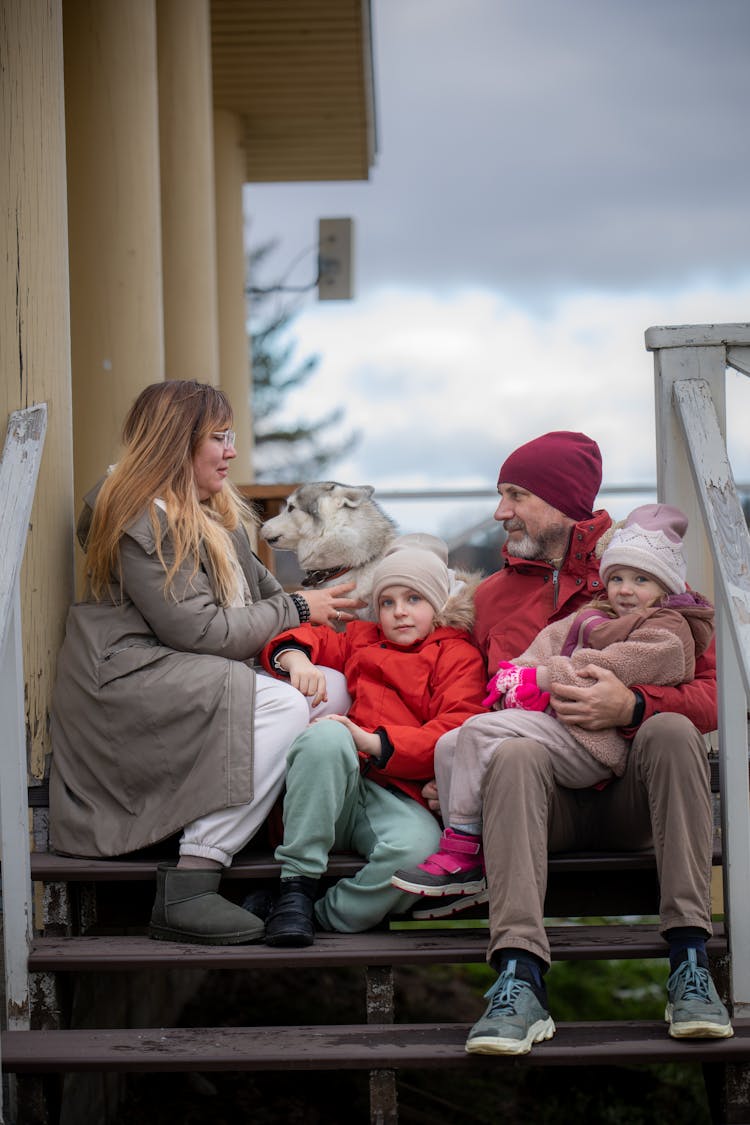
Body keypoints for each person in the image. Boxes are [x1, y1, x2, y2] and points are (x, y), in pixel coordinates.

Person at [413, 431, 731, 1055]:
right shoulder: (490, 599)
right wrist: (436, 775)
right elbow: (462, 702)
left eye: (515, 495)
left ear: (562, 503)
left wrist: (635, 704)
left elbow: (713, 696)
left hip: (632, 796)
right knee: (513, 751)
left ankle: (691, 963)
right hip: (536, 802)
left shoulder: (642, 579)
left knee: (670, 727)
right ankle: (518, 977)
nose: (500, 512)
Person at [49, 380, 363, 946]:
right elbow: (200, 629)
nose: (232, 451)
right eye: (218, 438)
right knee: (281, 704)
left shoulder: (210, 516)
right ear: (177, 443)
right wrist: (297, 608)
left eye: (231, 436)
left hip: (178, 665)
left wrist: (293, 648)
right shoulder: (142, 518)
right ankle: (194, 878)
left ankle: (293, 839)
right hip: (125, 678)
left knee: (331, 690)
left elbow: (270, 603)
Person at [392, 502, 714, 898]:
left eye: (641, 580)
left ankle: (466, 855)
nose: (626, 589)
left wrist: (553, 679)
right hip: (549, 748)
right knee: (452, 744)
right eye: (618, 578)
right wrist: (515, 675)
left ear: (664, 586)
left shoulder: (666, 625)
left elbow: (619, 667)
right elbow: (538, 650)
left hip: (598, 748)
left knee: (478, 733)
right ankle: (460, 838)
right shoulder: (590, 614)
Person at [255, 536, 488, 946]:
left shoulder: (457, 655)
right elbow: (312, 637)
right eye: (387, 602)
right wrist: (295, 658)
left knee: (417, 854)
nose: (399, 612)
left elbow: (456, 729)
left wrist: (373, 741)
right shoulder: (361, 638)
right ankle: (295, 886)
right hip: (336, 788)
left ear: (437, 603)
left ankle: (320, 912)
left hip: (397, 795)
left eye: (413, 599)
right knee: (326, 735)